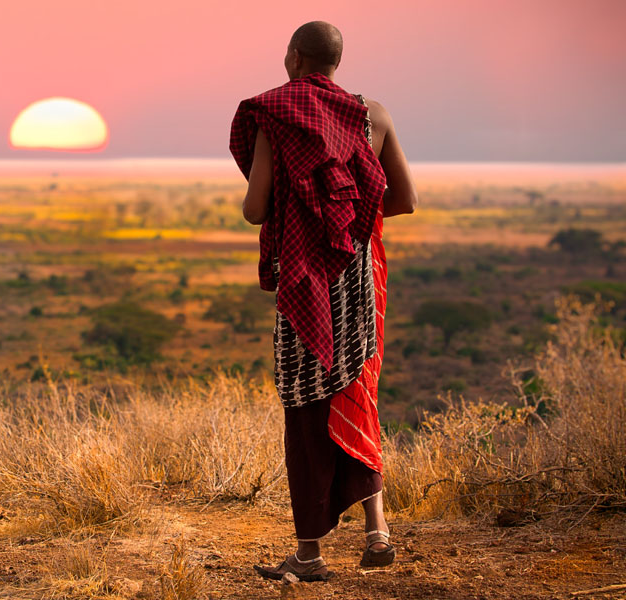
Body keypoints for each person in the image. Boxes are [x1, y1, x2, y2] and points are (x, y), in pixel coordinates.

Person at [229, 21, 418, 582]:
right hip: (355, 277)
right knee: (355, 392)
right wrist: (344, 217)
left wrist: (307, 217)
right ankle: (377, 531)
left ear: (293, 57)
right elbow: (404, 199)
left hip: (304, 282)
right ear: (336, 61)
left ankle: (309, 555)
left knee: (307, 407)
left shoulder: (274, 116)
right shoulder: (373, 115)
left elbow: (255, 209)